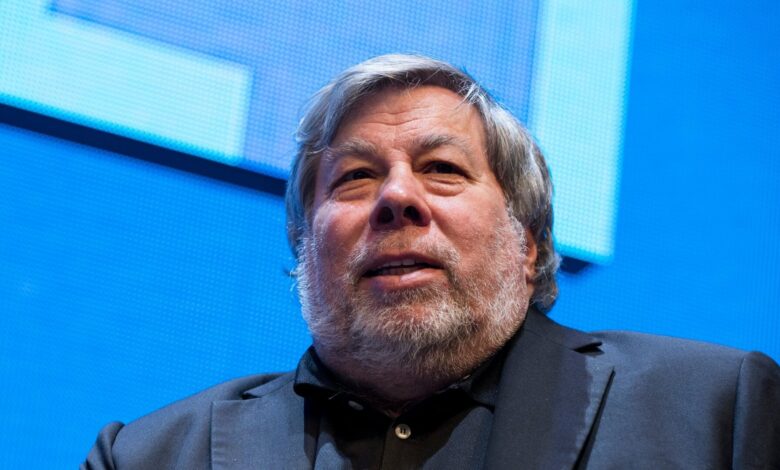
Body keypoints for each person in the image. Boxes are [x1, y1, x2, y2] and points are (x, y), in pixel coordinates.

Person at [82, 54, 780, 469]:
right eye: (354, 177)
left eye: (442, 168)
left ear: (527, 240)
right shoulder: (150, 457)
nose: (395, 197)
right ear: (304, 247)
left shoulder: (716, 412)